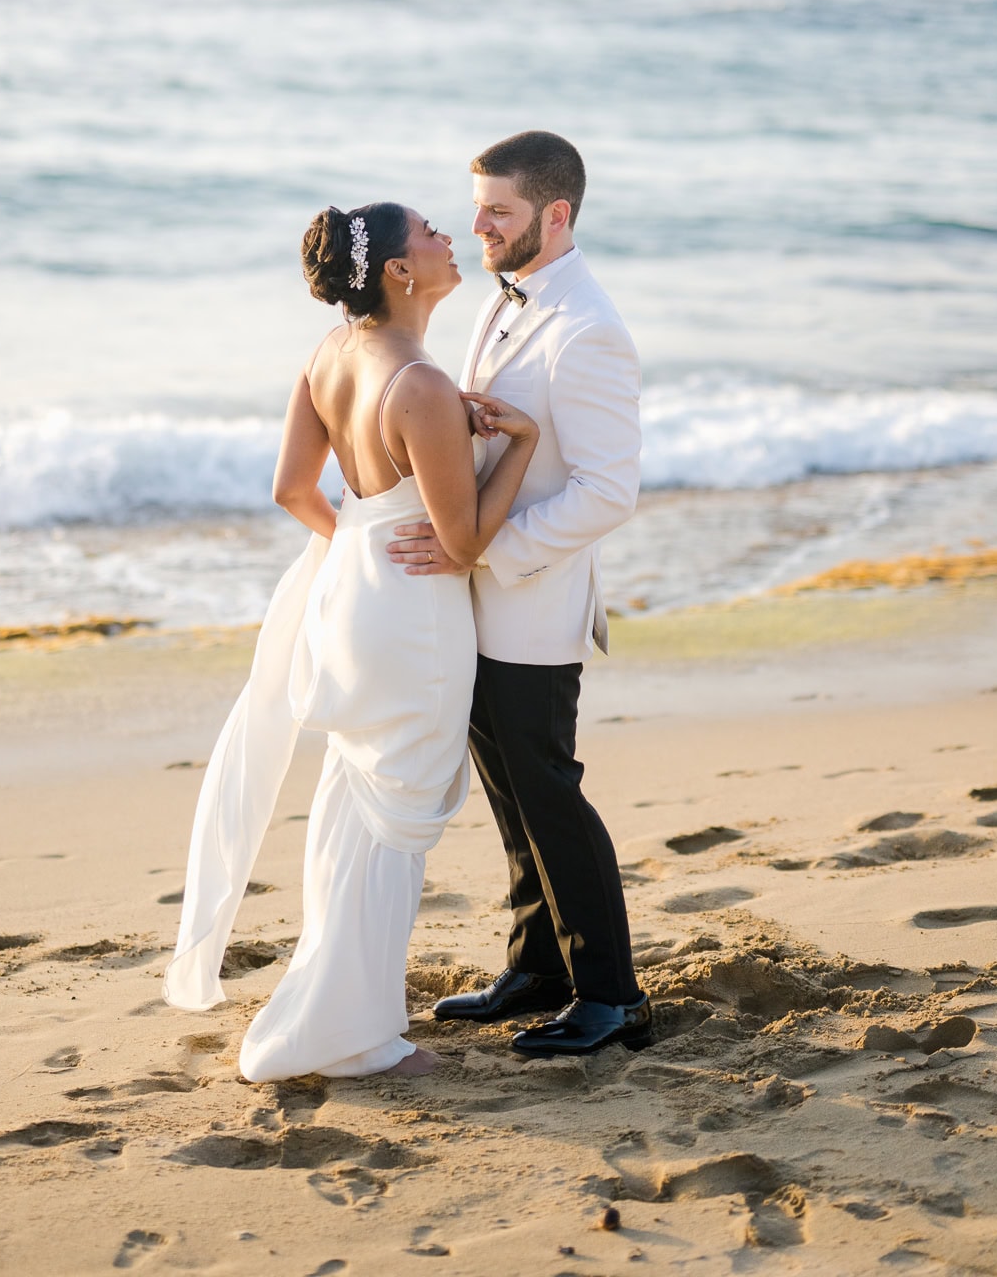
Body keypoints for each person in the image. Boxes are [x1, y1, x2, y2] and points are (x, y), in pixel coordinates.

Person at [163, 200, 538, 1080]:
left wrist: (362, 542)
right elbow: (463, 543)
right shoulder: (420, 386)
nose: (449, 237)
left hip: (352, 601)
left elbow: (293, 489)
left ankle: (346, 1015)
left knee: (353, 807)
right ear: (400, 272)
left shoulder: (330, 356)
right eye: (429, 232)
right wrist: (521, 443)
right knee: (392, 823)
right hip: (411, 619)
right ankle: (351, 1037)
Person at [387, 132, 652, 1058]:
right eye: (477, 209)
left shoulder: (589, 328)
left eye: (497, 211)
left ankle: (611, 996)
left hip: (533, 603)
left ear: (556, 214)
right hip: (477, 600)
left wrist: (488, 553)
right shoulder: (504, 302)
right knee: (508, 793)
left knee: (549, 795)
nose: (479, 227)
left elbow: (610, 491)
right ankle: (536, 966)